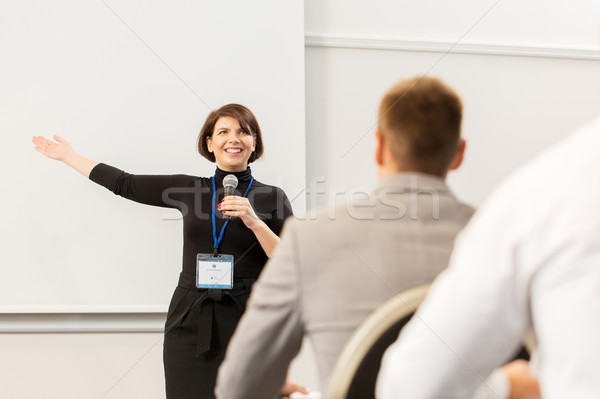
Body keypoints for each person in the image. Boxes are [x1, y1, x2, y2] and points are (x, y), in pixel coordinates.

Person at [215, 77, 475, 399]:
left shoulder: (308, 237)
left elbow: (239, 387)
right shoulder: (498, 237)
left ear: (379, 147)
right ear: (459, 153)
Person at [32, 104, 296, 399]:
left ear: (254, 143)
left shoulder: (272, 196)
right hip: (191, 315)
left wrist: (255, 222)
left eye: (243, 132)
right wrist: (69, 155)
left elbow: (293, 260)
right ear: (210, 143)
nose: (233, 139)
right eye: (223, 132)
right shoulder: (187, 188)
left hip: (250, 317)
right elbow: (125, 183)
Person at [376, 114, 600, 398]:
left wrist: (506, 388)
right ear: (459, 152)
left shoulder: (537, 201)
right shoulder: (507, 212)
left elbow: (410, 387)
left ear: (379, 145)